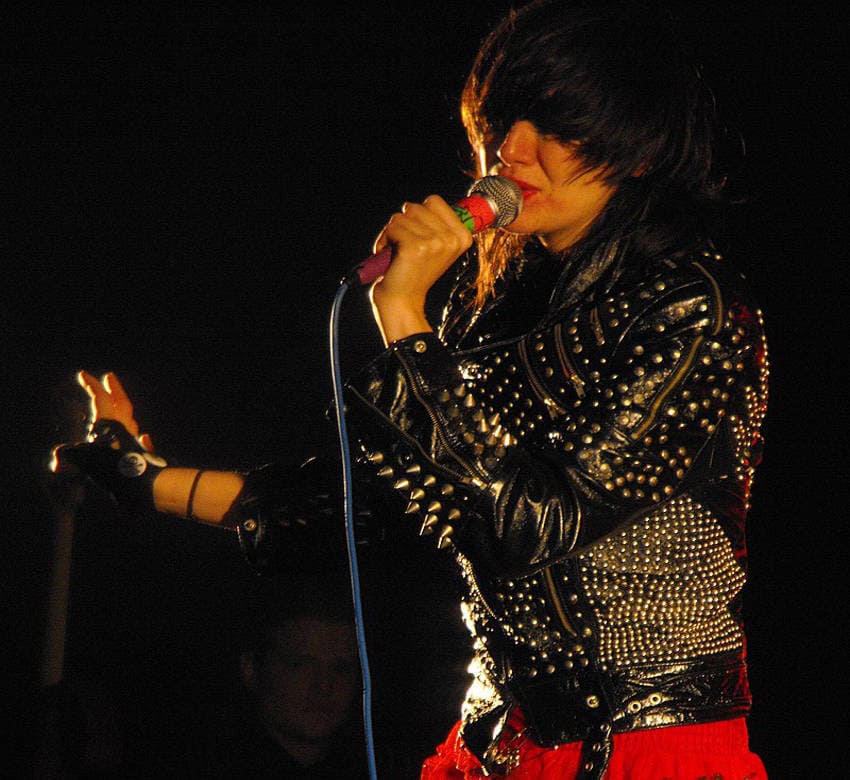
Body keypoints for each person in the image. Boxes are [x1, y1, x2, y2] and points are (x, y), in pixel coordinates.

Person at [52, 0, 770, 776]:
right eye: (503, 122)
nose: (512, 150)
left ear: (639, 149)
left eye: (557, 127)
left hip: (642, 744)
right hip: (498, 741)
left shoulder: (693, 308)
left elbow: (530, 522)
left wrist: (402, 318)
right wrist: (142, 476)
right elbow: (365, 508)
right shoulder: (497, 307)